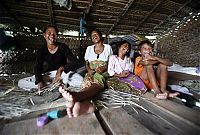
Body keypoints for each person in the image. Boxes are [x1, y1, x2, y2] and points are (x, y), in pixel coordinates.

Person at [59, 29, 113, 118]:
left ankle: (77, 96)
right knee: (87, 82)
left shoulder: (108, 47)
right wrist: (88, 70)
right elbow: (87, 63)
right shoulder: (89, 49)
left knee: (98, 79)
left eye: (96, 34)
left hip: (103, 72)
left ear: (101, 36)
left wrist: (104, 67)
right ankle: (86, 107)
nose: (94, 36)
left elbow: (111, 62)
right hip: (91, 71)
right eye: (92, 36)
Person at [34, 25, 79, 90]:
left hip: (63, 74)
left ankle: (56, 84)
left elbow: (74, 62)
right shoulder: (41, 49)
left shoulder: (63, 47)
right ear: (44, 35)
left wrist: (61, 69)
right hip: (50, 75)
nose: (52, 35)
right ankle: (53, 85)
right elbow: (37, 67)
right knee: (23, 82)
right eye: (49, 33)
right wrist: (40, 81)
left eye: (54, 33)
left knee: (79, 79)